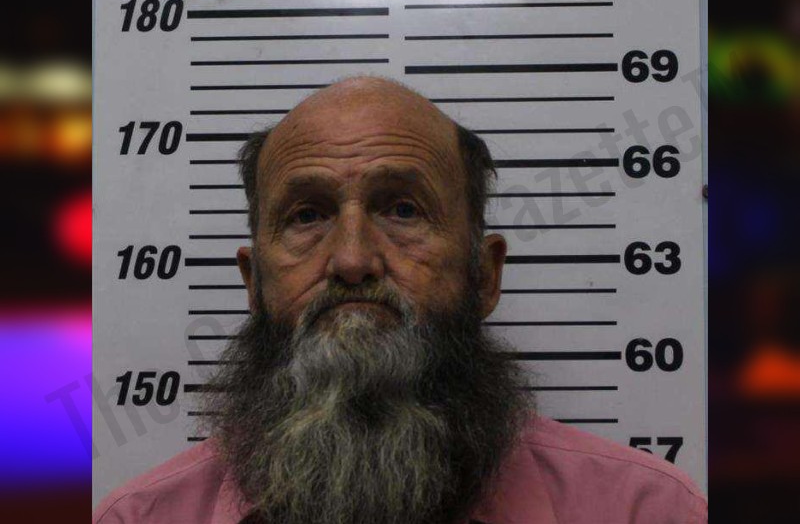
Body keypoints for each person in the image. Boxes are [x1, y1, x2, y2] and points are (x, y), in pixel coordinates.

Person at [92, 76, 707, 524]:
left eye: (404, 210)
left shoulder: (649, 511)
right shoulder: (140, 517)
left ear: (485, 275)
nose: (352, 259)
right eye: (307, 215)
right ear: (253, 284)